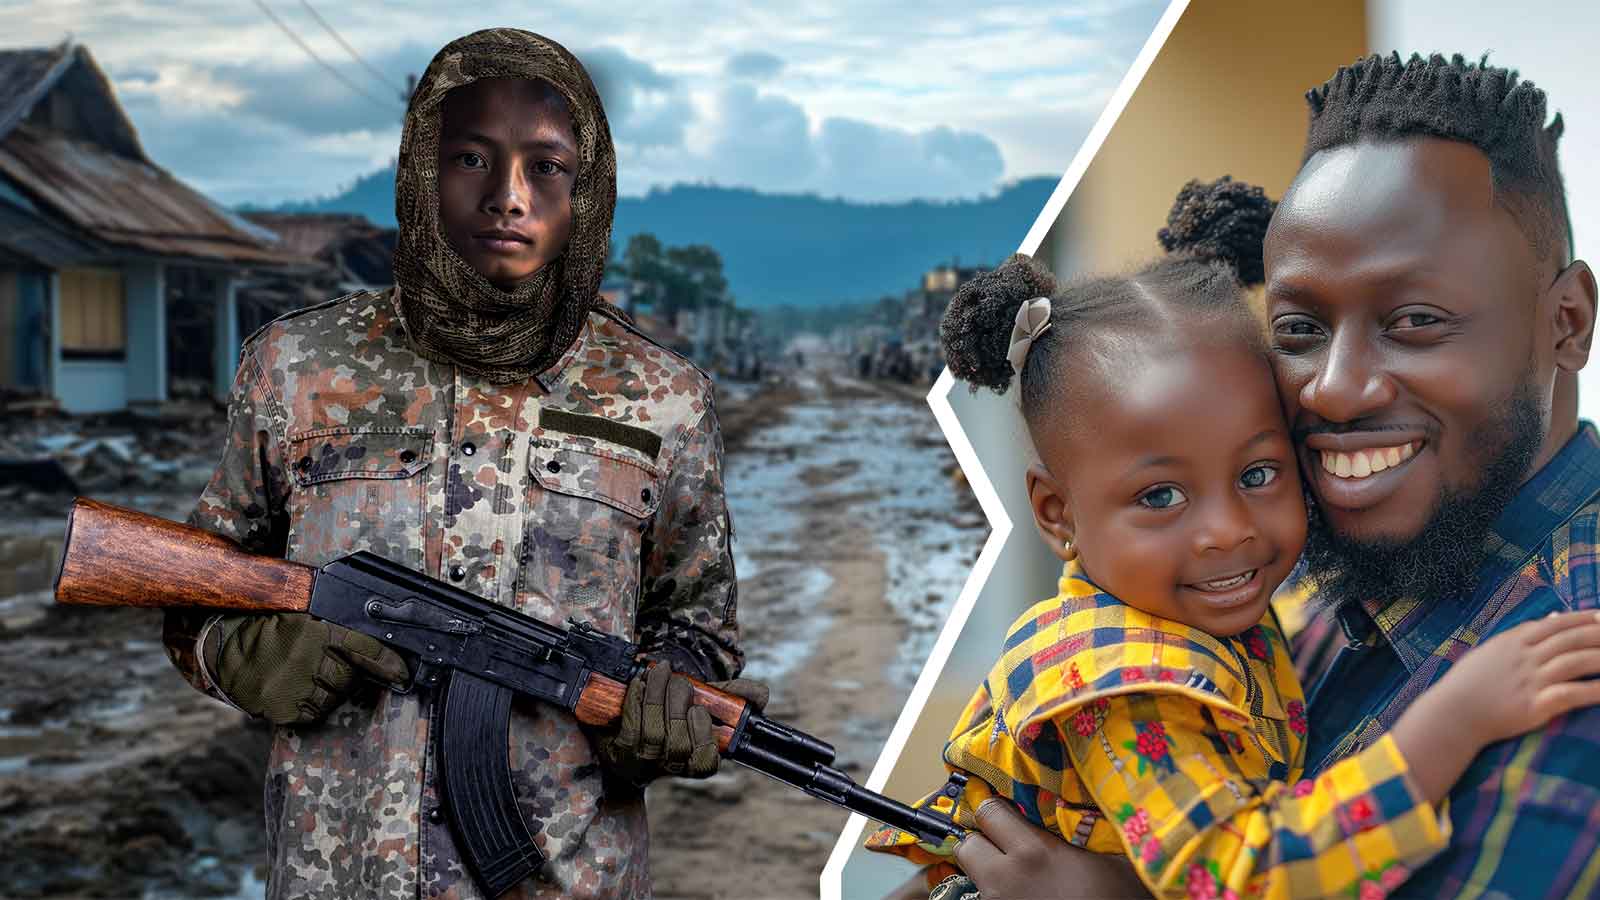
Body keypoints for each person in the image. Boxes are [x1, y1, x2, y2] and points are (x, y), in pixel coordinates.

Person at [956, 52, 1600, 900]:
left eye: (1415, 320)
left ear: (1567, 322)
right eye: (1298, 329)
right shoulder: (1282, 584)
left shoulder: (1568, 656)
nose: (1333, 388)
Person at [160, 28, 763, 900]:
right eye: (471, 159)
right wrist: (238, 655)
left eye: (546, 167)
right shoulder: (295, 366)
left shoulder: (663, 396)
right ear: (420, 174)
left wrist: (669, 699)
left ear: (587, 190)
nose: (508, 197)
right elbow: (196, 589)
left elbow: (699, 623)